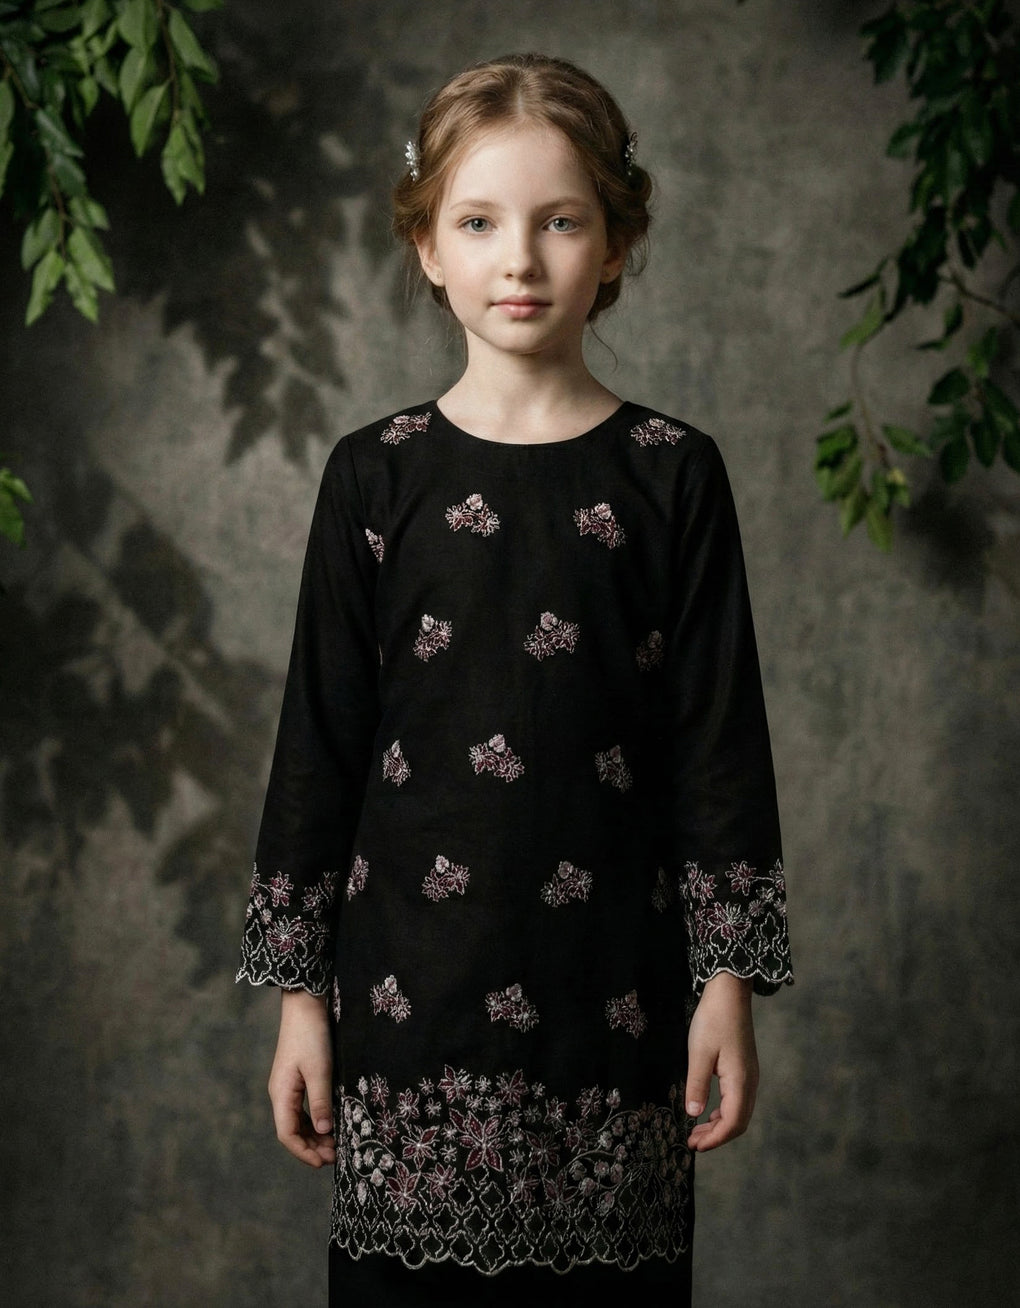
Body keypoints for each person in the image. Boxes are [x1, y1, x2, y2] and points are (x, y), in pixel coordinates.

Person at [238, 51, 793, 1307]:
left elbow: (716, 744)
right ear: (427, 246)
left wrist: (728, 982)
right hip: (405, 1008)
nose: (521, 261)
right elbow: (319, 745)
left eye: (561, 222)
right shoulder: (374, 474)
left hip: (615, 1005)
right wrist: (299, 999)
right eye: (480, 223)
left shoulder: (673, 475)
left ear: (618, 241)